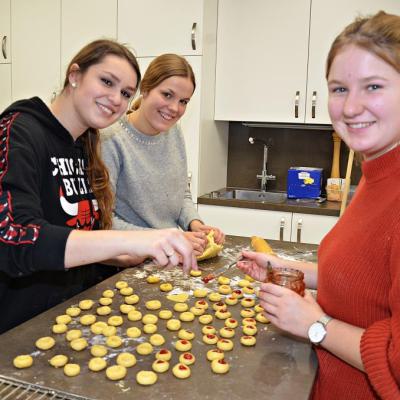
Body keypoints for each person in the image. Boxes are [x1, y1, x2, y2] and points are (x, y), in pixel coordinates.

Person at [238, 11, 400, 400]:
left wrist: (317, 325)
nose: (350, 107)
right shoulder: (374, 175)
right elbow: (367, 284)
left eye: (373, 86)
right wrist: (287, 269)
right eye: (339, 89)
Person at [0, 40, 196, 334]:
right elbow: (14, 237)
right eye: (107, 81)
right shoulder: (18, 131)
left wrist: (120, 255)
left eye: (125, 93)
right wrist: (133, 241)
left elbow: (80, 237)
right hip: (20, 330)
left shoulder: (85, 145)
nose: (116, 99)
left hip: (73, 317)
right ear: (75, 75)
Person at [100, 53, 225, 256]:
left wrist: (194, 223)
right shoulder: (111, 139)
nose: (175, 108)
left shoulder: (174, 131)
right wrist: (169, 238)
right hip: (129, 261)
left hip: (169, 255)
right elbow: (105, 222)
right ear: (146, 89)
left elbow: (180, 194)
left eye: (184, 101)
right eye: (167, 95)